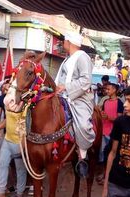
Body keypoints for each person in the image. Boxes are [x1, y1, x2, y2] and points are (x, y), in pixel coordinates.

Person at [54, 32, 95, 175]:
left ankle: (83, 155)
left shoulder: (83, 57)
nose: (62, 43)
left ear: (69, 42)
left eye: (63, 41)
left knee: (83, 125)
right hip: (62, 95)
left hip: (78, 98)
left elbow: (85, 81)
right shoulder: (67, 59)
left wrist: (66, 87)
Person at [97, 83, 123, 184]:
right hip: (104, 131)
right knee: (103, 154)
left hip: (113, 133)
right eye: (106, 89)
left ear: (115, 90)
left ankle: (109, 176)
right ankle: (104, 175)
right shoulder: (105, 101)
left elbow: (119, 119)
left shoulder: (119, 103)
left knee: (112, 154)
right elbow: (103, 114)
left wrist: (108, 118)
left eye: (108, 89)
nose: (106, 91)